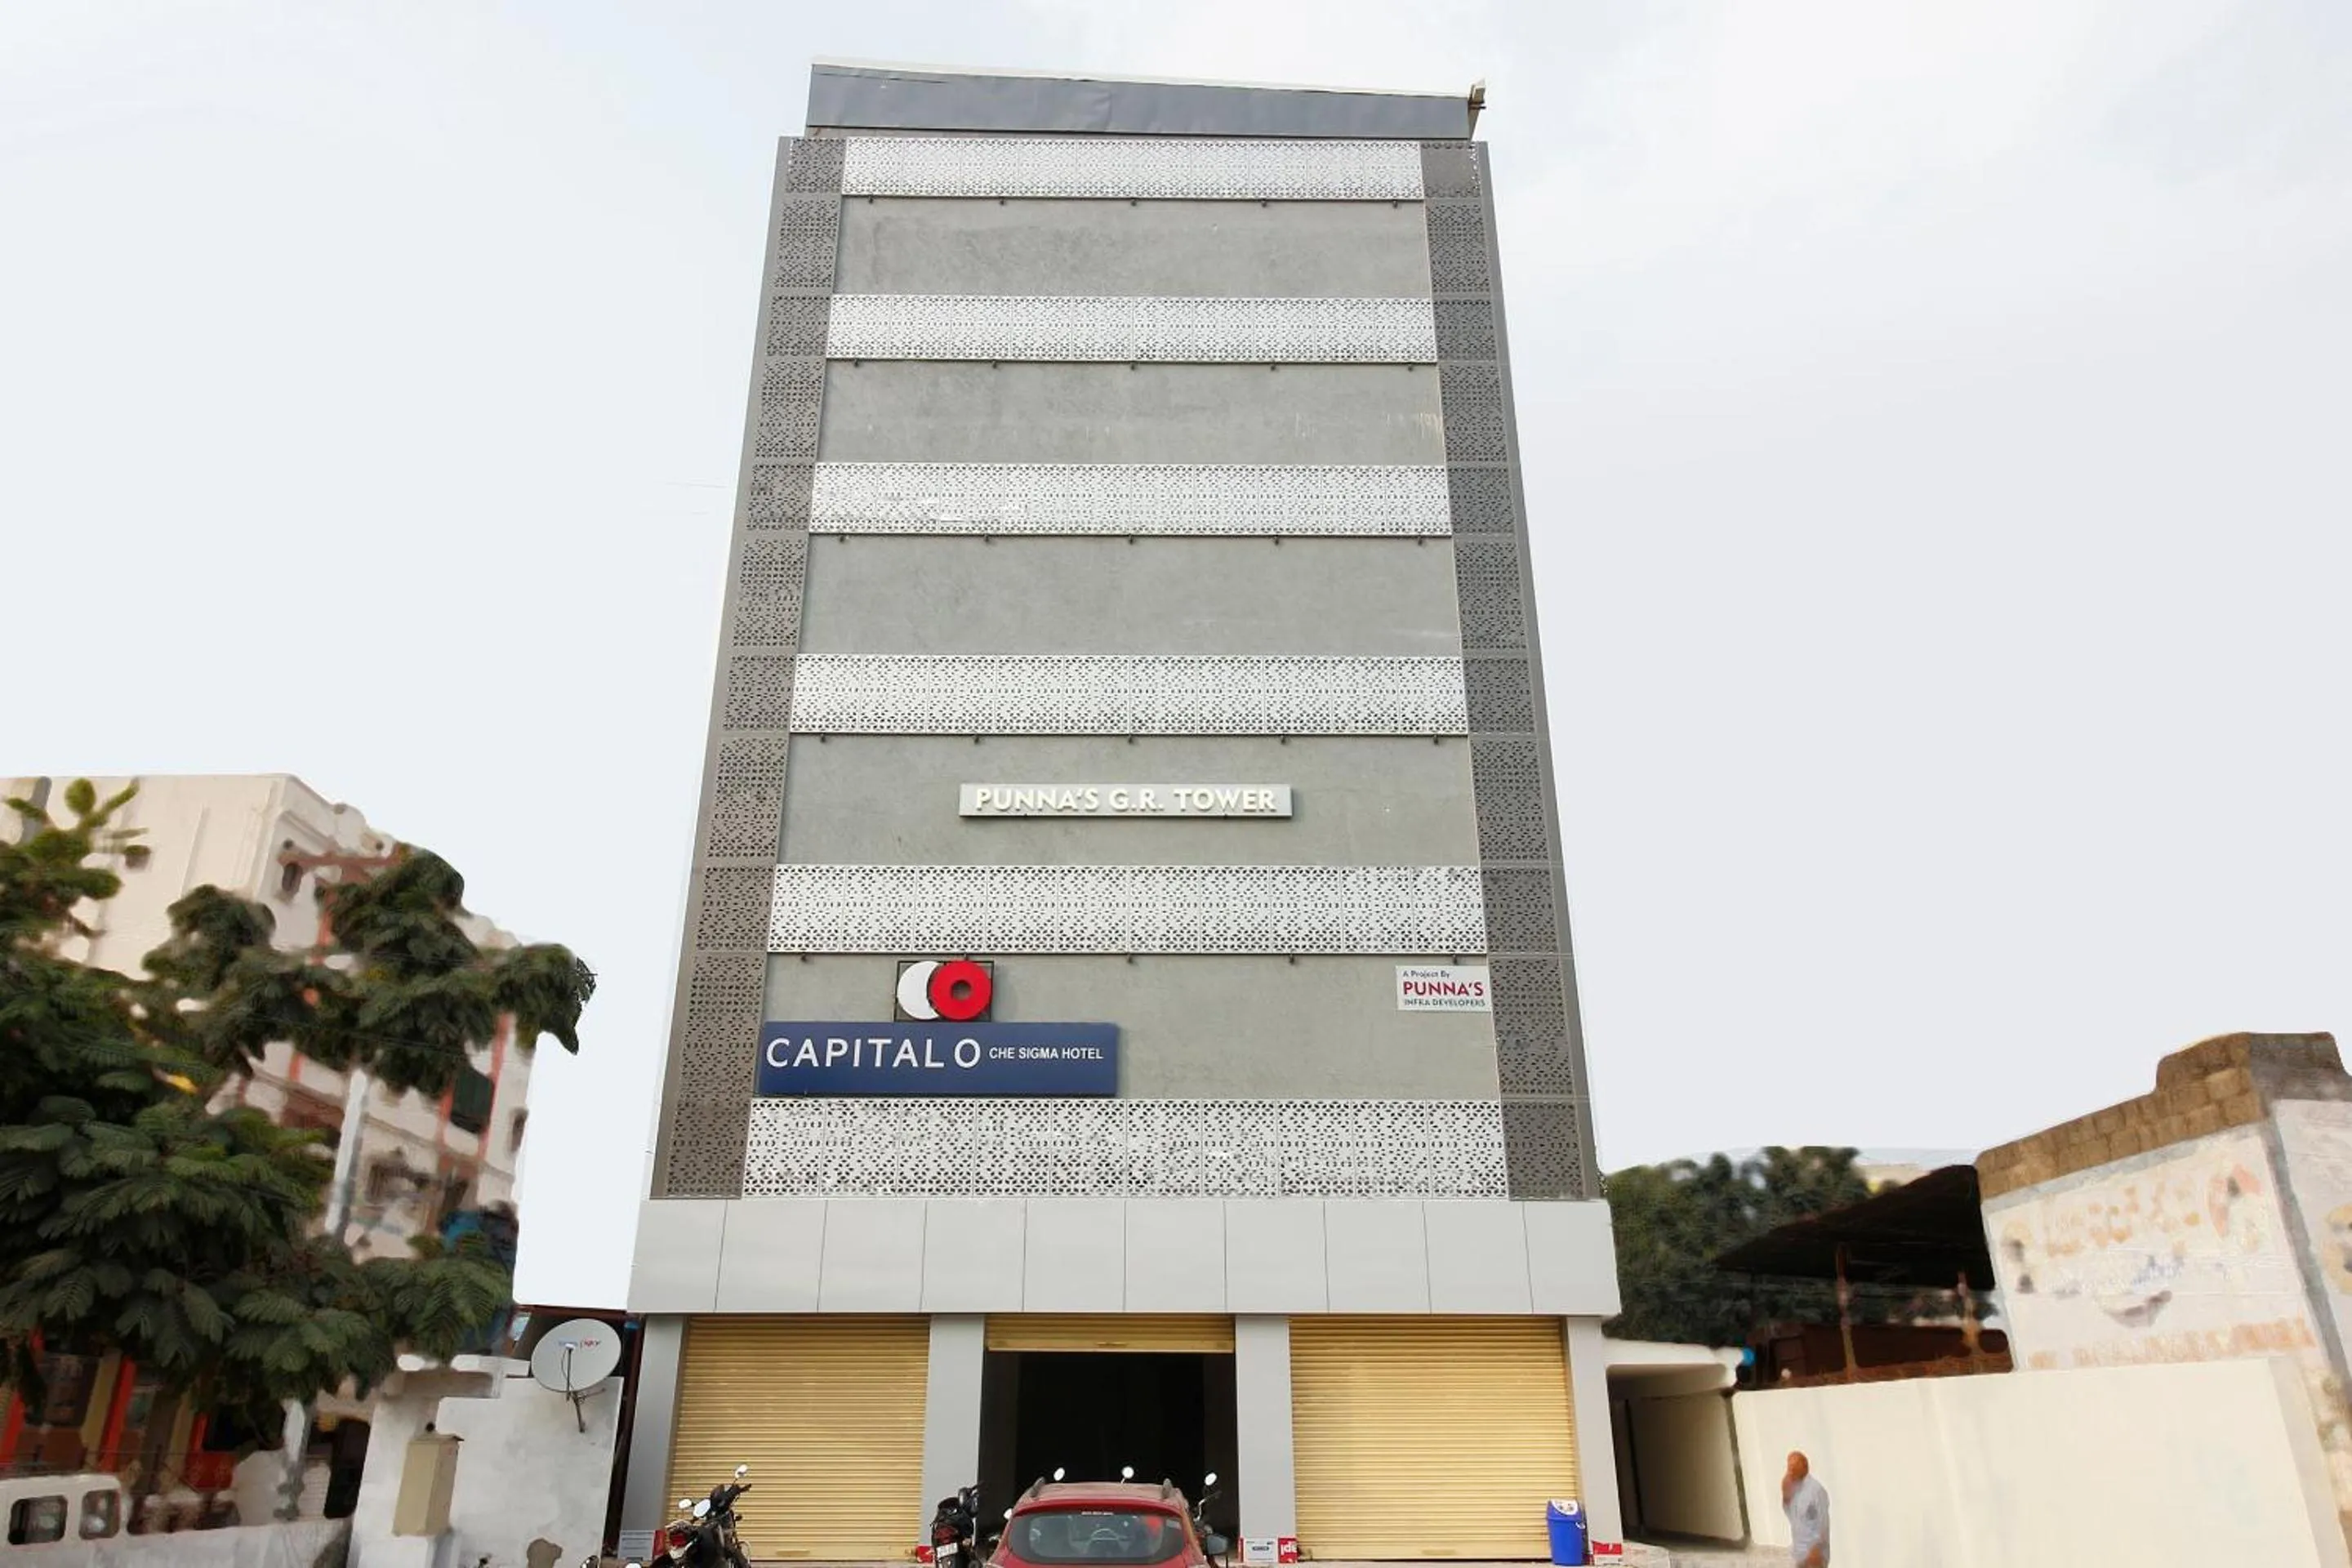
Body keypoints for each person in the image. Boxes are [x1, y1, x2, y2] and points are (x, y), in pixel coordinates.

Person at [1783, 1450, 1831, 1567]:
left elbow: (1823, 1521)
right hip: (1800, 1552)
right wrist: (1786, 1497)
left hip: (1814, 1554)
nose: (1790, 1471)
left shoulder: (1816, 1491)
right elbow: (1793, 1517)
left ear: (1805, 1467)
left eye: (1794, 1467)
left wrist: (1816, 1549)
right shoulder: (1795, 1489)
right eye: (1789, 1467)